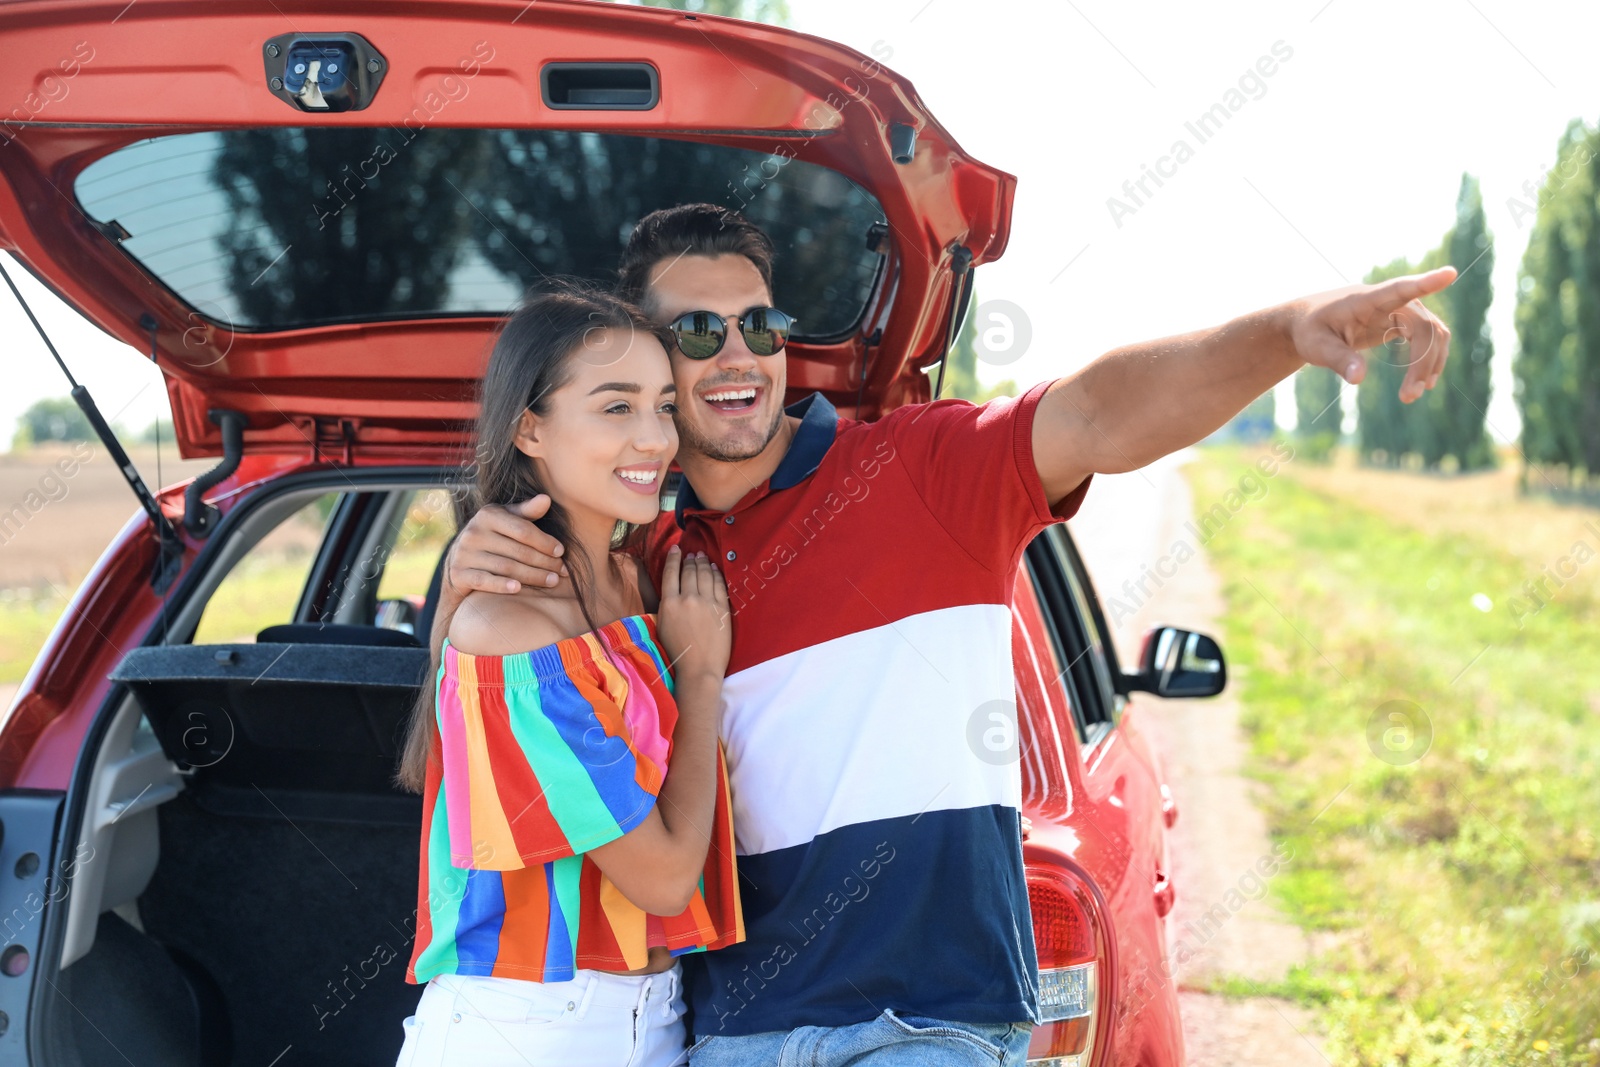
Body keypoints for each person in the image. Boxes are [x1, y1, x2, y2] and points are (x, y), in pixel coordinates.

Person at [432, 204, 1455, 1066]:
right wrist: (463, 571)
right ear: (653, 365)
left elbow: (1099, 413)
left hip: (922, 1023)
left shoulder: (922, 469)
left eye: (760, 323)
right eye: (696, 332)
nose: (738, 353)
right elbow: (495, 683)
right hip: (724, 1026)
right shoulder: (638, 559)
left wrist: (1284, 331)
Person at [393, 284, 744, 1066]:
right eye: (616, 408)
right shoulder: (508, 630)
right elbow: (661, 881)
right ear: (529, 428)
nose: (654, 438)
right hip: (524, 1030)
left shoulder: (634, 581)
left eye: (662, 405)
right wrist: (701, 678)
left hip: (652, 1017)